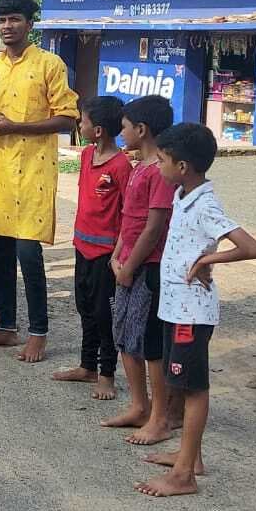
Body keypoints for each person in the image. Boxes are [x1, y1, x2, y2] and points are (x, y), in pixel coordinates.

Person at [136, 123, 256, 497]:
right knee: (182, 382)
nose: (157, 167)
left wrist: (210, 258)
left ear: (184, 166)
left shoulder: (205, 203)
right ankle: (191, 457)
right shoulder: (183, 193)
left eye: (162, 161)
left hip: (191, 310)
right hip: (177, 307)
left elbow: (251, 246)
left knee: (193, 389)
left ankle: (184, 475)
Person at [0, 0, 78, 363]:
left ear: (30, 23)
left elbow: (67, 118)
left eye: (14, 19)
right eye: (1, 21)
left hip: (34, 171)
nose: (7, 27)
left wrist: (18, 126)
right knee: (0, 253)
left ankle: (38, 332)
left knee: (28, 255)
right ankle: (6, 326)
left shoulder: (51, 64)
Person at [103, 95, 176, 445]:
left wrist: (130, 265)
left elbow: (153, 227)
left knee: (150, 344)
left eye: (125, 127)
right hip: (127, 264)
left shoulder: (160, 172)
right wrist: (117, 255)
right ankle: (138, 405)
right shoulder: (138, 167)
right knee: (124, 335)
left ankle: (160, 417)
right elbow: (128, 222)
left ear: (142, 129)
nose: (121, 132)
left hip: (147, 268)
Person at [53, 96, 130, 400]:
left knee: (104, 313)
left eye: (82, 121)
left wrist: (119, 254)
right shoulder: (86, 156)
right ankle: (87, 366)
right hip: (81, 245)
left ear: (97, 130)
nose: (79, 124)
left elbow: (128, 211)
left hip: (106, 254)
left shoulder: (122, 165)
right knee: (84, 306)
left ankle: (107, 373)